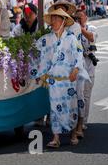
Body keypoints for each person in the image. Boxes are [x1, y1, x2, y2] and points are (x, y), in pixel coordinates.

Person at [31, 8, 88, 148]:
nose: (54, 22)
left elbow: (79, 53)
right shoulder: (47, 39)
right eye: (53, 19)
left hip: (68, 80)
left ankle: (73, 133)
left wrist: (76, 68)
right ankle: (56, 138)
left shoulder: (71, 38)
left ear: (63, 21)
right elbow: (35, 51)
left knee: (71, 107)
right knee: (55, 109)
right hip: (54, 81)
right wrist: (38, 72)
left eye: (57, 19)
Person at [74, 9, 97, 133]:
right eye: (76, 18)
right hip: (78, 66)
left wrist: (79, 28)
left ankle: (84, 122)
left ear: (86, 17)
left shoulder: (91, 27)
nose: (78, 19)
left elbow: (91, 37)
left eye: (80, 17)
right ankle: (76, 120)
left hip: (89, 66)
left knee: (86, 95)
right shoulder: (73, 31)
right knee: (78, 94)